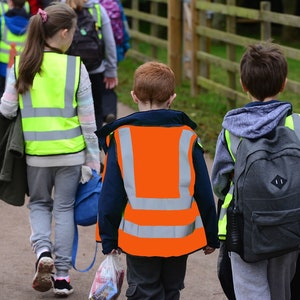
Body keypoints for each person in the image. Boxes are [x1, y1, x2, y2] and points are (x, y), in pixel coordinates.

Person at [0, 2, 100, 297]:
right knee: (64, 208)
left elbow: (6, 109)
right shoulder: (76, 67)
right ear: (65, 33)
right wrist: (93, 161)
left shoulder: (22, 65)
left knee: (40, 205)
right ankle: (62, 277)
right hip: (71, 153)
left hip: (36, 154)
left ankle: (42, 251)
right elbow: (89, 122)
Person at [96, 61, 219, 299]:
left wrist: (108, 237)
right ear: (172, 98)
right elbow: (203, 191)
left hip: (139, 239)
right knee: (171, 290)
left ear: (133, 96)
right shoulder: (188, 138)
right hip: (178, 238)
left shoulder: (122, 139)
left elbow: (111, 194)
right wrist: (210, 235)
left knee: (144, 290)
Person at [211, 42, 299, 300]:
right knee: (283, 288)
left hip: (244, 227)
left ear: (243, 84)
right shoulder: (296, 123)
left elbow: (219, 181)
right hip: (290, 223)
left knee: (250, 289)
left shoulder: (232, 130)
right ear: (283, 83)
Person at [66, 0, 118, 131]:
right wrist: (111, 70)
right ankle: (95, 143)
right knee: (96, 109)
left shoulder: (60, 8)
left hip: (69, 69)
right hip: (95, 69)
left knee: (71, 109)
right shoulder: (98, 9)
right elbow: (110, 43)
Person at [0, 0, 30, 97]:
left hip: (3, 62)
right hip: (22, 62)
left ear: (10, 3)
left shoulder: (3, 21)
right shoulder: (31, 22)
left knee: (3, 92)